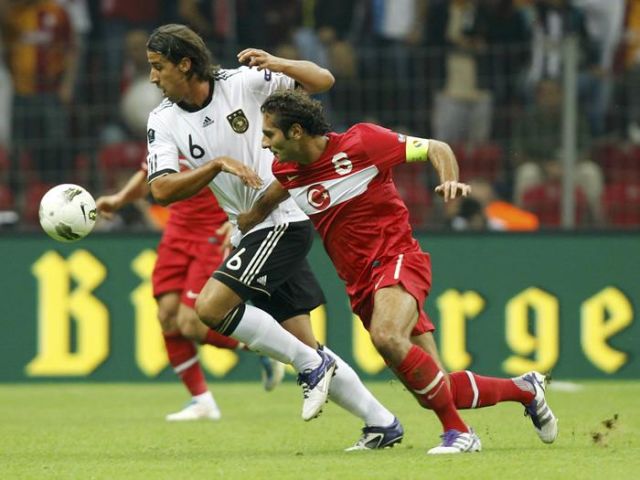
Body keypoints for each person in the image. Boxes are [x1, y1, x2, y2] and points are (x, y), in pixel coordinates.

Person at [237, 89, 559, 454]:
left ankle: (459, 433)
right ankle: (525, 389)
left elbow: (437, 147)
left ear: (296, 132)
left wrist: (449, 179)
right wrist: (246, 220)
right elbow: (276, 194)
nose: (264, 144)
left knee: (386, 335)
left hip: (397, 258)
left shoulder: (363, 142)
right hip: (360, 283)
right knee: (436, 387)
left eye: (269, 134)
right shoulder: (286, 169)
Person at [144, 24, 403, 450]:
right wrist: (215, 166)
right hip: (249, 228)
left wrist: (280, 62)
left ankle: (311, 367)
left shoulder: (242, 83)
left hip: (282, 218)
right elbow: (161, 189)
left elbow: (323, 80)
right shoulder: (163, 119)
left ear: (185, 64)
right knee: (305, 343)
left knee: (209, 308)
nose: (153, 77)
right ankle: (382, 422)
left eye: (159, 67)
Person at [96, 162, 286, 422]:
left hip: (213, 234)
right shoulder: (165, 136)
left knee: (192, 323)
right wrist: (119, 199)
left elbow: (253, 171)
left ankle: (263, 347)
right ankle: (202, 401)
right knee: (167, 316)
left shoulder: (220, 138)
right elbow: (149, 173)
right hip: (176, 232)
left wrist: (243, 217)